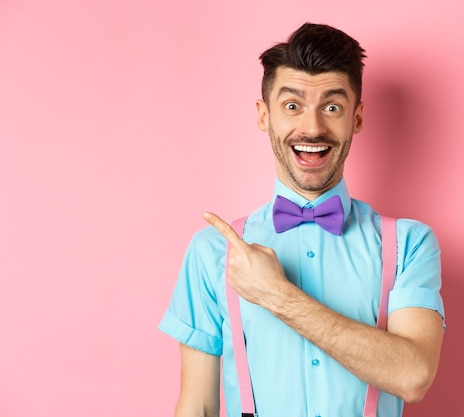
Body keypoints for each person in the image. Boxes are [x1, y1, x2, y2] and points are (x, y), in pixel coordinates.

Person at [159, 22, 445, 417]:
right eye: (292, 106)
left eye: (332, 107)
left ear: (356, 118)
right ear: (264, 116)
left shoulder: (409, 245)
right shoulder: (212, 252)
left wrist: (276, 295)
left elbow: (413, 376)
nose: (312, 127)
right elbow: (199, 406)